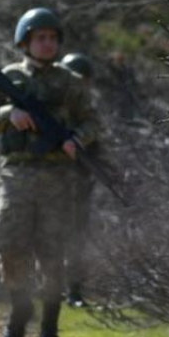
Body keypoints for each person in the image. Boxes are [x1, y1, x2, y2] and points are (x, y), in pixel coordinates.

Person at [0, 7, 98, 337]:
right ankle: (20, 304)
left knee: (52, 252)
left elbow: (92, 121)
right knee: (8, 240)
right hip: (16, 173)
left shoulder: (70, 83)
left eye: (52, 38)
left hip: (58, 176)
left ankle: (49, 329)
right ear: (25, 42)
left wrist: (77, 140)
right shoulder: (9, 78)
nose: (47, 44)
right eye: (40, 38)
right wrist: (8, 115)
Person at [59, 52, 100, 308]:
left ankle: (74, 289)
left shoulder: (87, 113)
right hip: (49, 181)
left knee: (77, 238)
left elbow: (95, 143)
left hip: (79, 182)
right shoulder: (54, 108)